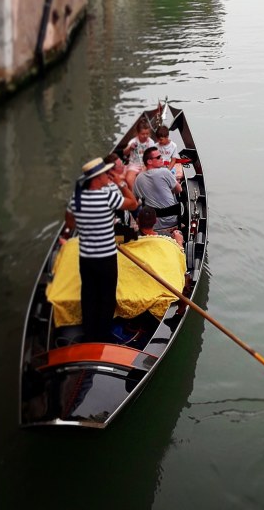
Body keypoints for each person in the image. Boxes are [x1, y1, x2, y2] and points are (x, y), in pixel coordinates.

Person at [65, 156, 138, 342]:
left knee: (89, 295)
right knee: (106, 297)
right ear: (97, 178)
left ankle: (90, 335)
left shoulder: (76, 198)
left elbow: (70, 222)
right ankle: (102, 336)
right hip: (106, 257)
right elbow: (133, 203)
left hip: (86, 258)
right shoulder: (107, 196)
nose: (108, 176)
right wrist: (121, 182)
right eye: (106, 173)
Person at [133, 146, 183, 236]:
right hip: (172, 222)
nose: (162, 159)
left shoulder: (138, 178)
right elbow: (179, 190)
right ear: (149, 161)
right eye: (158, 157)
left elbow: (135, 201)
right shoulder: (165, 172)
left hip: (152, 225)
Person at [123, 118, 156, 190]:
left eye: (147, 134)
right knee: (129, 179)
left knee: (146, 179)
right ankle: (135, 197)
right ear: (138, 133)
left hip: (146, 164)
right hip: (134, 164)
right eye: (143, 134)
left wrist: (146, 166)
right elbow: (125, 153)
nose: (145, 136)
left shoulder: (151, 142)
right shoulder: (133, 141)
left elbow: (154, 156)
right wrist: (130, 148)